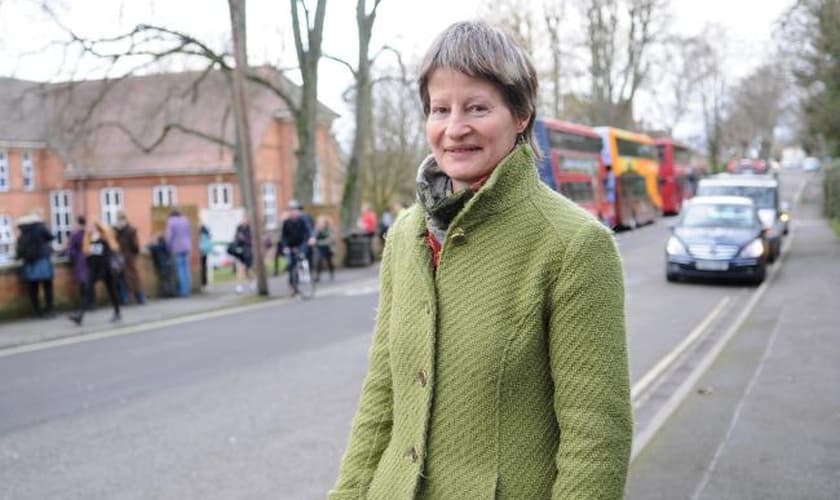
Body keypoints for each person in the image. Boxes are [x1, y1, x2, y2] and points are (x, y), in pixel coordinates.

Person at [330, 21, 632, 499]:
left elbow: (596, 439)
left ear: (520, 114)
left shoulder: (574, 246)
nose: (454, 128)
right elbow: (382, 398)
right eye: (439, 109)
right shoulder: (406, 234)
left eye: (477, 107)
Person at [69, 220, 121, 325]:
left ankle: (117, 312)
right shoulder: (89, 240)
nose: (90, 229)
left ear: (98, 228)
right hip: (94, 270)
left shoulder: (105, 238)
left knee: (112, 292)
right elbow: (88, 255)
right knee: (87, 291)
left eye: (93, 227)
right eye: (90, 227)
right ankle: (80, 315)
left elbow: (111, 252)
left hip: (106, 270)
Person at [15, 209, 55, 318]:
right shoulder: (41, 227)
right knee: (47, 286)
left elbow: (19, 251)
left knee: (33, 289)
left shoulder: (22, 232)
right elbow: (51, 237)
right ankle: (49, 310)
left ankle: (36, 311)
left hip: (29, 263)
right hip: (42, 260)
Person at [279, 200, 312, 296]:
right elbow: (283, 237)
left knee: (302, 259)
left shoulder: (303, 220)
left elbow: (308, 231)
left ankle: (305, 278)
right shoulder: (286, 222)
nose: (293, 212)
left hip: (301, 244)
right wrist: (285, 247)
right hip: (290, 246)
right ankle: (292, 286)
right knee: (291, 266)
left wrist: (311, 238)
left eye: (295, 210)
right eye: (291, 210)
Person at [114, 211, 145, 305]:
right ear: (125, 219)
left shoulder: (115, 230)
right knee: (134, 278)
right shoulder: (131, 230)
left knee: (121, 278)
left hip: (119, 258)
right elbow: (135, 246)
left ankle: (125, 299)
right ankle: (140, 299)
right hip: (129, 258)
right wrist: (135, 252)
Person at [165, 208, 192, 297]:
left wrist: (168, 248)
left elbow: (169, 236)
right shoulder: (185, 220)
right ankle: (188, 289)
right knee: (186, 269)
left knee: (180, 270)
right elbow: (189, 233)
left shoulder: (171, 221)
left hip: (177, 247)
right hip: (187, 246)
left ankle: (183, 292)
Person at [230, 215, 254, 294]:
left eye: (245, 219)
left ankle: (252, 283)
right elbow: (236, 238)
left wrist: (243, 239)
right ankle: (239, 286)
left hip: (248, 252)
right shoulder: (239, 228)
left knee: (248, 270)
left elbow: (250, 241)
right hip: (239, 253)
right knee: (239, 269)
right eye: (242, 219)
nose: (243, 221)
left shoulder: (250, 229)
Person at [313, 214, 336, 282]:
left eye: (322, 222)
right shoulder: (317, 229)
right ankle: (318, 276)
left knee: (329, 262)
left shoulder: (329, 229)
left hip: (328, 248)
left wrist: (318, 242)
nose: (321, 224)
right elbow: (314, 237)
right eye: (319, 222)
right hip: (320, 249)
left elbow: (330, 240)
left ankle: (331, 273)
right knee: (319, 261)